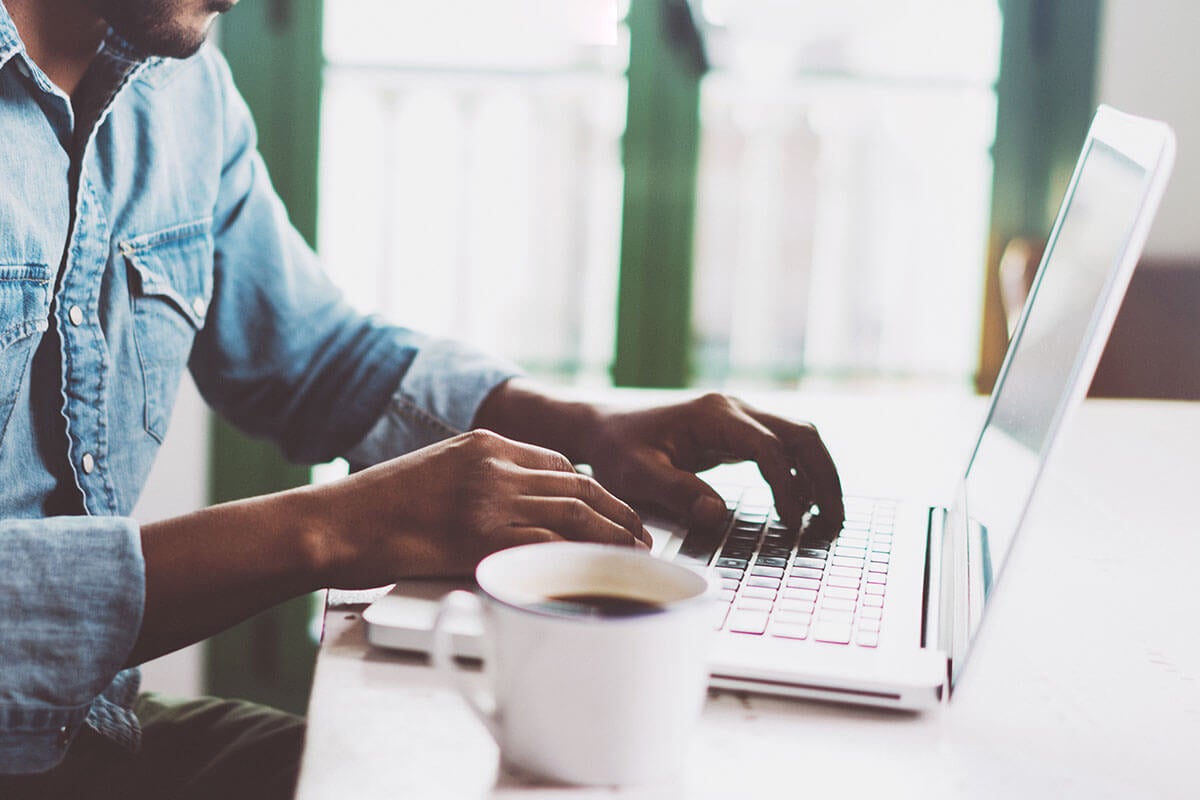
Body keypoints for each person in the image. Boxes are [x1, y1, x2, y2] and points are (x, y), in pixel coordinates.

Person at [0, 0, 844, 796]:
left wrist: (589, 429)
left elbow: (317, 358)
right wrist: (342, 527)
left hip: (88, 734)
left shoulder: (183, 90)